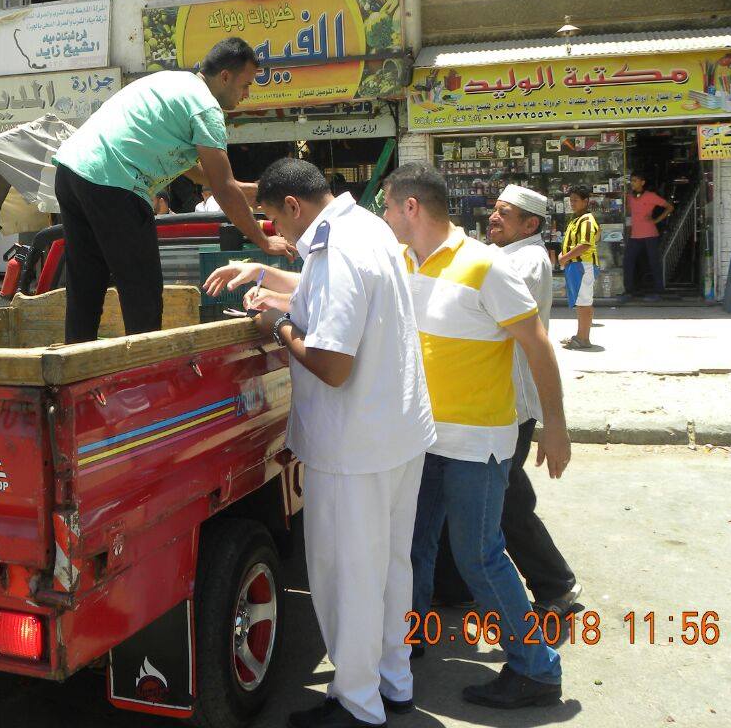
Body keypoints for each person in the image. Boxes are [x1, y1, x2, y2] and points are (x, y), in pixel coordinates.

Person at [204, 159, 435, 728]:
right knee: (388, 567)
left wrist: (274, 327)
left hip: (353, 446)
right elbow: (321, 290)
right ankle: (393, 681)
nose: (275, 235)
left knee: (345, 575)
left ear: (294, 206)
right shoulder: (365, 227)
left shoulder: (334, 250)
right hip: (397, 435)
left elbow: (331, 364)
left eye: (271, 221)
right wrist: (261, 274)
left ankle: (357, 703)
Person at [381, 163, 569, 710]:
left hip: (476, 444)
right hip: (423, 440)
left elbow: (538, 347)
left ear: (410, 207)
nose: (386, 217)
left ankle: (536, 668)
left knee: (479, 555)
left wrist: (554, 427)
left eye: (389, 207)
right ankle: (407, 642)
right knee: (414, 548)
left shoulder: (487, 266)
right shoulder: (401, 260)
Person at [53, 36, 292, 342]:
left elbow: (205, 177)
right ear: (225, 77)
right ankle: (146, 375)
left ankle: (75, 362)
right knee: (142, 291)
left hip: (72, 171)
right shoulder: (206, 108)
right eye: (245, 85)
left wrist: (262, 193)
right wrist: (264, 241)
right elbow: (223, 188)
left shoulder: (172, 83)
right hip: (115, 182)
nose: (246, 94)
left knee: (86, 284)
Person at [486, 184, 582, 616]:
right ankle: (451, 586)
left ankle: (555, 585)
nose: (493, 218)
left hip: (512, 401)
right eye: (494, 210)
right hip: (492, 398)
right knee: (491, 494)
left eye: (503, 214)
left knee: (506, 500)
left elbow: (481, 308)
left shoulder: (526, 261)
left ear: (531, 224)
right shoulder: (506, 255)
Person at [558, 185, 600, 350]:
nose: (572, 203)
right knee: (581, 301)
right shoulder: (577, 219)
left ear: (585, 201)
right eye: (571, 200)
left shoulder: (586, 220)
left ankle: (583, 339)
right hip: (577, 265)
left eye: (575, 200)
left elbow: (585, 244)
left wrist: (564, 258)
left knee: (584, 302)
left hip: (583, 265)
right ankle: (580, 336)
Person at [622, 170, 671, 301]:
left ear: (642, 182)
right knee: (628, 261)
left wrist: (656, 220)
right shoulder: (629, 196)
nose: (632, 183)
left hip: (650, 234)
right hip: (634, 236)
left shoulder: (650, 196)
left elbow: (669, 207)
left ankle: (659, 292)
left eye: (635, 181)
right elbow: (629, 213)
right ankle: (629, 291)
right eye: (631, 181)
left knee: (654, 263)